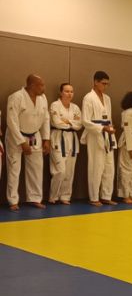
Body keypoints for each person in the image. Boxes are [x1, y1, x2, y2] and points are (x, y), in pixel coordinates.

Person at [5, 74, 50, 211]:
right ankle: (13, 200)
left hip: (34, 135)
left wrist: (46, 138)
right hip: (16, 136)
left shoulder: (43, 98)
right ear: (32, 85)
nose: (44, 87)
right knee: (14, 169)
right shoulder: (16, 97)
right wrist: (21, 142)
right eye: (41, 85)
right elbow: (11, 121)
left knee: (36, 168)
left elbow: (46, 118)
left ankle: (35, 198)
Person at [81, 71, 117, 206]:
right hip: (95, 134)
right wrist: (102, 128)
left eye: (107, 84)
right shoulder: (88, 98)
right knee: (96, 166)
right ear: (95, 82)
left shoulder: (107, 98)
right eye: (103, 83)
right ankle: (94, 197)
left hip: (108, 133)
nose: (105, 86)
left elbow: (109, 118)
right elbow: (85, 121)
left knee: (109, 166)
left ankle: (106, 196)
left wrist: (110, 128)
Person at [48, 83, 82, 204]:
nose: (69, 94)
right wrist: (72, 123)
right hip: (58, 139)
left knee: (69, 171)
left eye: (71, 91)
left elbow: (80, 124)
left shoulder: (75, 107)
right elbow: (56, 122)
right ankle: (53, 196)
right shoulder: (55, 105)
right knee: (60, 171)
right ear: (60, 92)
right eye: (67, 91)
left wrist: (68, 122)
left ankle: (65, 196)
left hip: (72, 140)